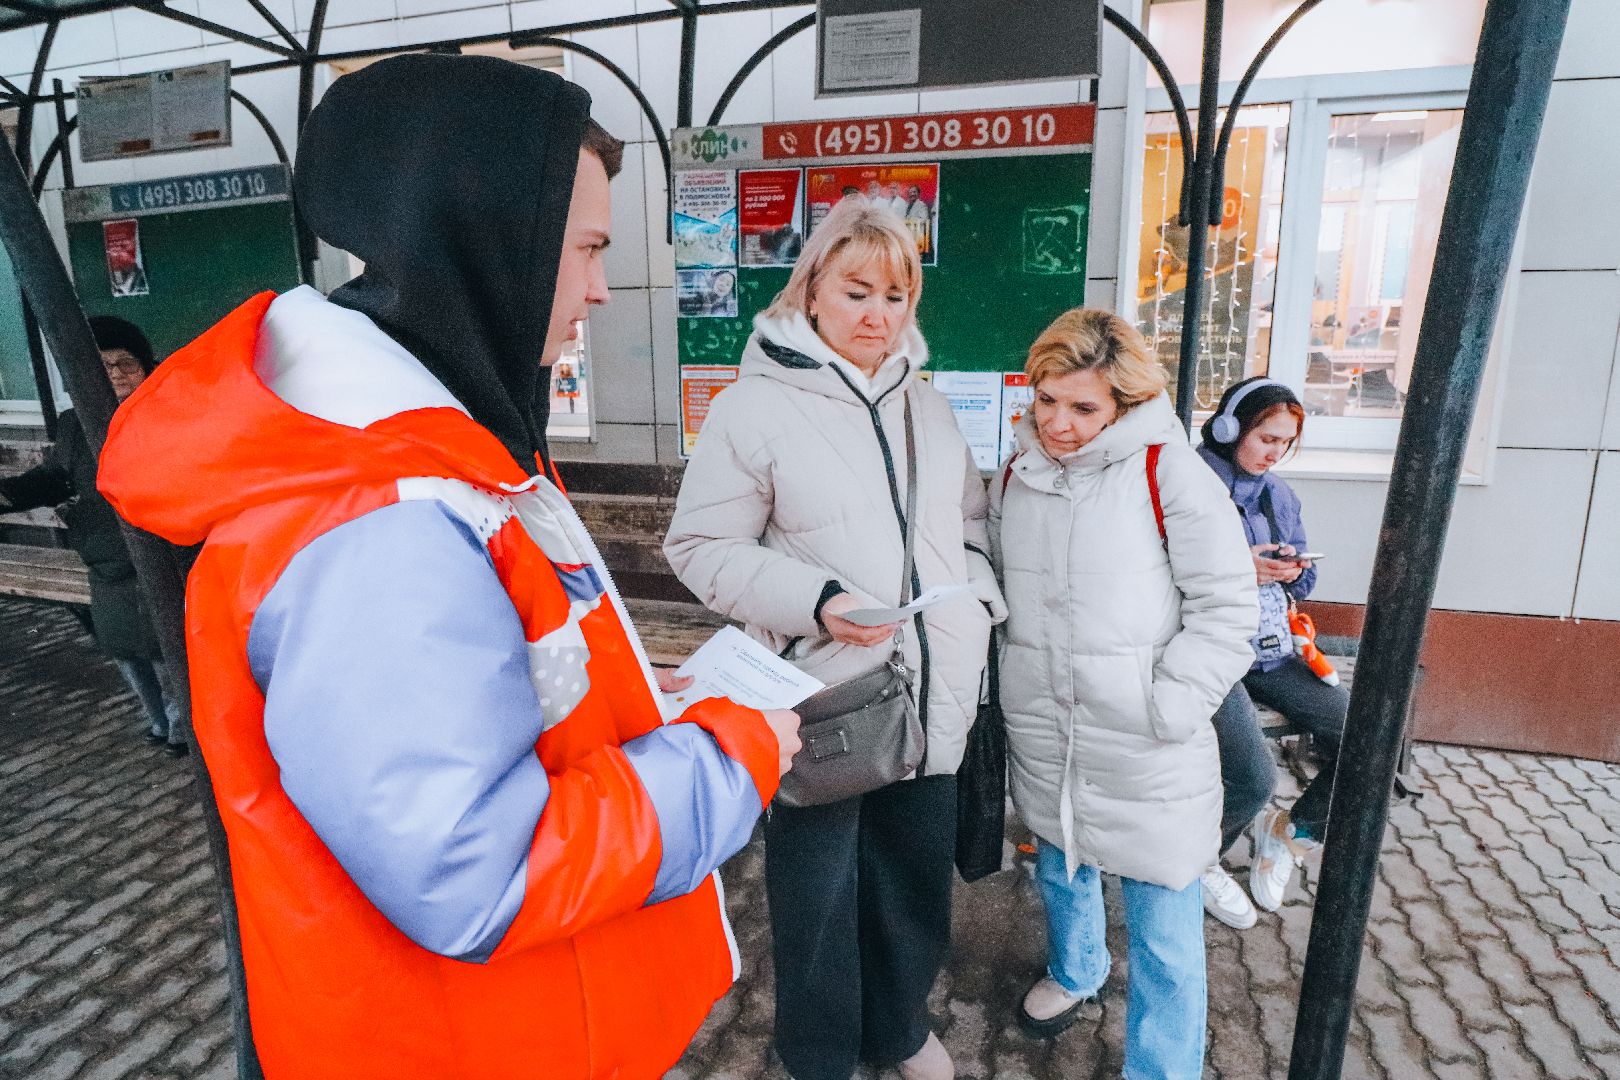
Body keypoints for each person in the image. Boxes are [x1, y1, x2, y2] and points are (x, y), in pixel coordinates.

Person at [98, 55, 799, 1080]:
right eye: (587, 251)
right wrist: (732, 753)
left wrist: (633, 699)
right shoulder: (377, 517)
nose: (601, 291)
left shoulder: (428, 454)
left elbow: (501, 682)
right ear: (487, 248)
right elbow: (482, 873)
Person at [665, 197, 1003, 1080]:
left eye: (896, 297)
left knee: (912, 881)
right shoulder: (754, 406)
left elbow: (970, 524)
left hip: (931, 692)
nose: (877, 316)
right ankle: (816, 1051)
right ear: (811, 289)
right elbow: (699, 547)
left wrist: (976, 603)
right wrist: (816, 602)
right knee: (816, 899)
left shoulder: (928, 406)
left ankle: (897, 1028)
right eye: (857, 291)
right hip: (818, 695)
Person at [991, 309, 1256, 1078]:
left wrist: (1167, 705)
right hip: (1046, 725)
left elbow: (1227, 604)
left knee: (1165, 930)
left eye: (1083, 408)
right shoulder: (1018, 471)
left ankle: (1161, 1067)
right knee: (1060, 865)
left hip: (1146, 740)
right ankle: (1077, 971)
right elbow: (999, 570)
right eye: (1046, 400)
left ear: (1124, 405)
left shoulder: (1165, 468)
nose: (1059, 424)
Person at [1195, 376, 1351, 928]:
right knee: (1254, 778)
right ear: (1228, 428)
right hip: (1207, 650)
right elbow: (1159, 578)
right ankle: (1198, 862)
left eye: (1285, 443)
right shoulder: (1187, 484)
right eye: (1265, 438)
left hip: (1271, 648)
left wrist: (1295, 569)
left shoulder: (1279, 494)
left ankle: (1291, 831)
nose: (1274, 452)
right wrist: (1241, 568)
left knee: (1366, 741)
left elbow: (1299, 589)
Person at [0, 316, 182, 754]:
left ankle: (181, 731)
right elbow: (54, 477)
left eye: (126, 363)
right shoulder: (76, 423)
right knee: (125, 650)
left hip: (159, 556)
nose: (117, 373)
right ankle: (159, 723)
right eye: (104, 365)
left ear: (146, 366)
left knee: (164, 653)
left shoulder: (167, 414)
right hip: (105, 558)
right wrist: (8, 494)